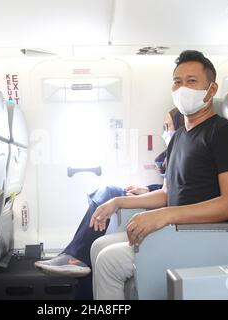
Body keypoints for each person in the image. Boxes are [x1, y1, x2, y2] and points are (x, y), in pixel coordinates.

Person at [90, 50, 228, 299]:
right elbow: (167, 194)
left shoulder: (225, 134)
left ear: (211, 89)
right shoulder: (177, 138)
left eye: (192, 81)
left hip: (206, 237)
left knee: (109, 261)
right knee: (99, 245)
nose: (182, 88)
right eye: (177, 81)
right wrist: (117, 202)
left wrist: (164, 217)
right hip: (180, 231)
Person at [34, 108, 184, 299]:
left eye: (167, 126)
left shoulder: (187, 148)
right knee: (106, 199)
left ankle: (74, 255)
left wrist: (146, 191)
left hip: (166, 211)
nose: (164, 131)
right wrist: (147, 188)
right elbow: (171, 187)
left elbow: (179, 191)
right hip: (154, 194)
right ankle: (75, 255)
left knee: (109, 191)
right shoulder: (175, 150)